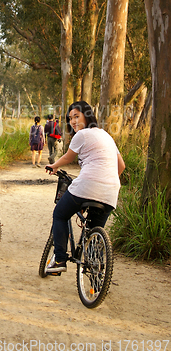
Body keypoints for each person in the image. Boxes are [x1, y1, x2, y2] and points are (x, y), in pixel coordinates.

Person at [45, 101, 125, 273]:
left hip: (88, 184)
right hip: (111, 190)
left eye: (76, 116)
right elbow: (121, 166)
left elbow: (68, 157)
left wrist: (54, 166)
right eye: (70, 118)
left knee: (60, 214)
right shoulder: (106, 135)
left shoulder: (81, 135)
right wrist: (105, 181)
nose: (73, 121)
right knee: (95, 230)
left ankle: (59, 260)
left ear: (87, 115)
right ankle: (96, 274)